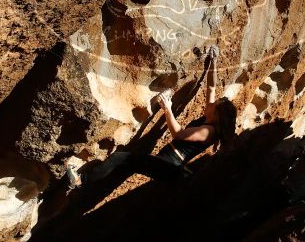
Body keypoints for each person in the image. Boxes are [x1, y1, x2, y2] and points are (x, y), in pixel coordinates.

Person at [66, 44, 237, 188]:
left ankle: (80, 181)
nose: (211, 103)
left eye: (214, 105)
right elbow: (211, 88)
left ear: (217, 115)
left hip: (167, 166)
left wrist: (167, 108)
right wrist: (213, 61)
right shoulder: (210, 120)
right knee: (125, 164)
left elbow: (178, 133)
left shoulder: (208, 131)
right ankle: (92, 178)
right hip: (166, 165)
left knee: (120, 158)